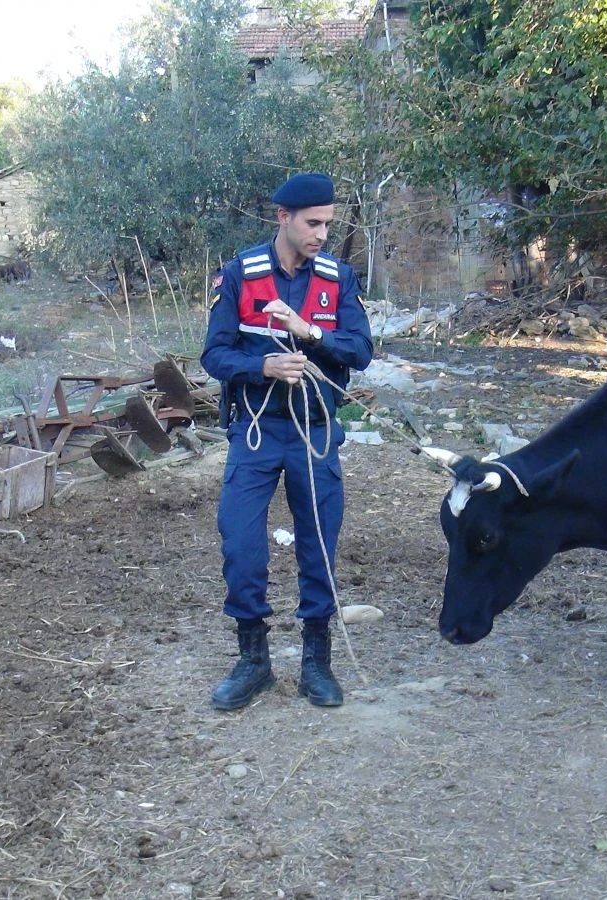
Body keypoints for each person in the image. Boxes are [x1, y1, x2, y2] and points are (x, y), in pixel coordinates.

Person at [200, 172, 374, 710]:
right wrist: (264, 365)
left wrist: (307, 331)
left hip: (315, 432)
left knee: (319, 545)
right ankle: (253, 661)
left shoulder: (338, 278)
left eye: (328, 222)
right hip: (256, 430)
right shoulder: (241, 275)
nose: (323, 232)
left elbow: (359, 350)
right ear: (284, 218)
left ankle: (316, 664)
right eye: (313, 223)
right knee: (241, 543)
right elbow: (213, 355)